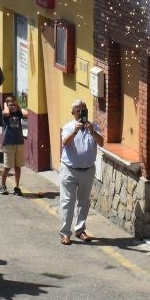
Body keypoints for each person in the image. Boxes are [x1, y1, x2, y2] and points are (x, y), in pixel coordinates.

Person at [58, 100, 101, 246]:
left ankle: (80, 230)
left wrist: (93, 132)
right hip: (69, 169)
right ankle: (65, 233)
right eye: (78, 110)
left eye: (84, 110)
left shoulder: (93, 126)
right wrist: (75, 131)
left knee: (84, 202)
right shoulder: (68, 127)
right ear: (73, 113)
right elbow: (65, 143)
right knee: (68, 202)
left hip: (87, 170)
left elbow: (101, 142)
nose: (81, 112)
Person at [0, 94, 27, 196]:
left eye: (14, 105)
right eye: (10, 105)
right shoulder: (5, 113)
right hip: (8, 143)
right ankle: (2, 186)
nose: (13, 107)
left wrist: (18, 106)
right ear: (7, 105)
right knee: (7, 167)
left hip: (19, 143)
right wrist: (6, 105)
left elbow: (26, 114)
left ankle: (17, 187)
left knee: (18, 167)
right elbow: (5, 112)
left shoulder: (19, 113)